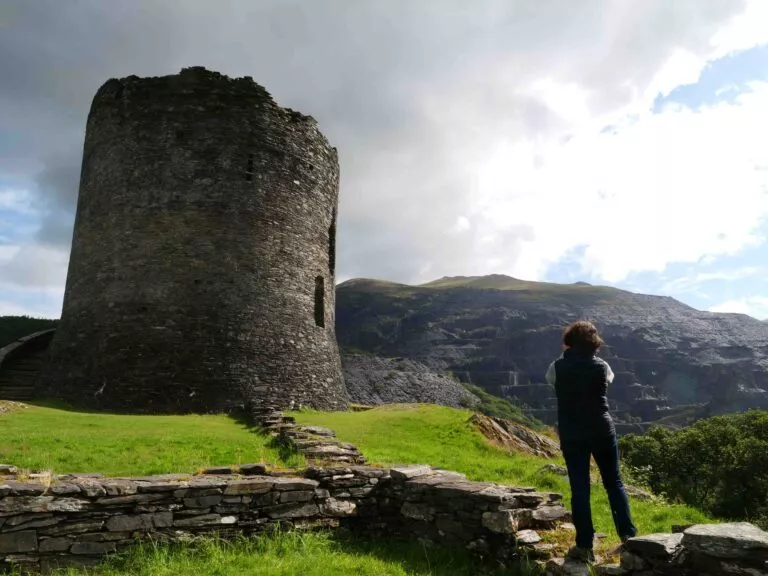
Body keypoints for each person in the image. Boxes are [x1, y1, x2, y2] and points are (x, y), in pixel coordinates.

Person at [545, 320, 637, 562]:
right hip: (601, 428)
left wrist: (566, 355)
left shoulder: (557, 366)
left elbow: (551, 380)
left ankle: (585, 547)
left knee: (580, 488)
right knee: (614, 483)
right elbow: (609, 380)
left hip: (572, 432)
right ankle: (629, 540)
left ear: (569, 342)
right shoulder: (602, 365)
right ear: (594, 344)